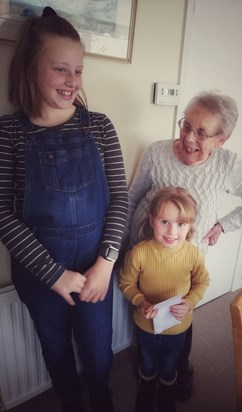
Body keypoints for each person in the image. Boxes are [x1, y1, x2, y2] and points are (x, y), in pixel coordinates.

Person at [0, 7, 128, 412]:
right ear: (30, 68)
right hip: (41, 274)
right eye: (60, 69)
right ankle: (70, 401)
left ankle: (101, 394)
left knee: (97, 349)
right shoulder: (8, 134)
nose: (72, 81)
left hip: (95, 265)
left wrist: (106, 263)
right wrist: (54, 275)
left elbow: (120, 198)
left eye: (79, 70)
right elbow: (2, 214)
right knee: (53, 347)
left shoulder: (101, 126)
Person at [123, 90, 242, 401]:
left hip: (185, 263)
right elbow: (132, 198)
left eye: (202, 132)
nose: (189, 138)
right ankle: (147, 370)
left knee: (181, 315)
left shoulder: (229, 165)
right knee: (142, 313)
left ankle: (178, 370)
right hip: (143, 255)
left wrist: (223, 225)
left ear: (221, 140)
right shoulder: (156, 151)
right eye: (186, 125)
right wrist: (121, 245)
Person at [119, 186, 210, 412]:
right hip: (146, 326)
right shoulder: (139, 253)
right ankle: (147, 387)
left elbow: (202, 282)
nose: (172, 231)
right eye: (164, 222)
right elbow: (126, 283)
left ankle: (166, 391)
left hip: (178, 327)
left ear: (189, 226)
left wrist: (189, 302)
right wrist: (140, 301)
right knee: (147, 362)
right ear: (151, 220)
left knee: (170, 365)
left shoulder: (193, 254)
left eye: (180, 224)